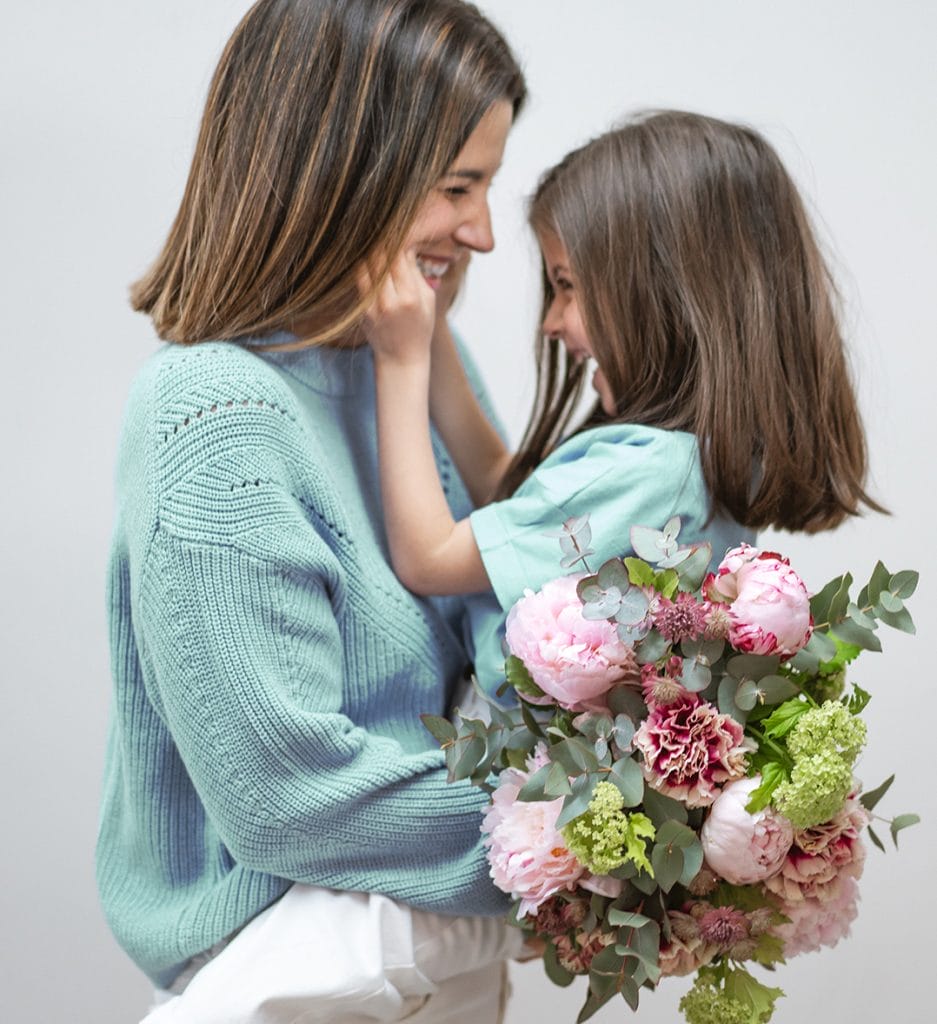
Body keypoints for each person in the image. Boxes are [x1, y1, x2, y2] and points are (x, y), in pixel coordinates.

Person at [96, 1, 530, 1022]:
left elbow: (527, 591)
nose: (483, 232)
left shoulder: (412, 363)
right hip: (300, 957)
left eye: (489, 186)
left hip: (438, 950)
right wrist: (581, 832)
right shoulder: (215, 415)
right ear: (346, 169)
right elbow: (287, 800)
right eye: (457, 187)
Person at [367, 110, 883, 699]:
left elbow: (429, 557)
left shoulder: (649, 473)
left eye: (566, 285)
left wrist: (400, 359)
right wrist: (427, 319)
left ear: (662, 294)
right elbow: (511, 501)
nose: (551, 322)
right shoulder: (689, 465)